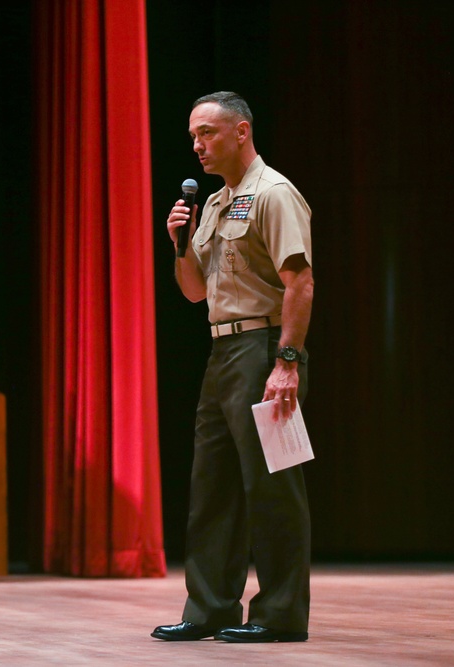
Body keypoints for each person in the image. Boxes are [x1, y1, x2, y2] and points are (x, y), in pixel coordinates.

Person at [151, 92, 314, 643]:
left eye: (208, 134)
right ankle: (210, 608)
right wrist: (178, 245)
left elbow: (300, 282)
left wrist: (286, 362)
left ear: (241, 131)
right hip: (222, 352)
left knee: (272, 486)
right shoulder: (218, 204)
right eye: (194, 136)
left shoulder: (274, 193)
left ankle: (280, 613)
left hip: (264, 348)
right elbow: (195, 292)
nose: (198, 145)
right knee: (212, 487)